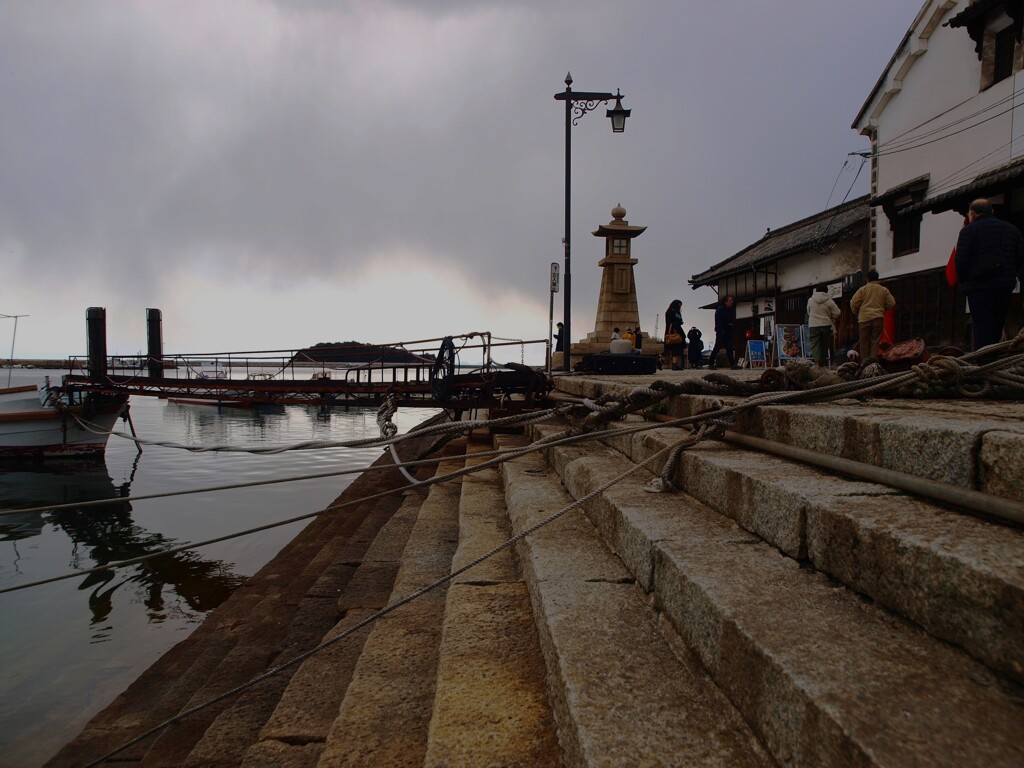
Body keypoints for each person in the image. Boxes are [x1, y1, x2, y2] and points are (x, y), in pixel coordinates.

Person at [954, 198, 1024, 350]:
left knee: (982, 327)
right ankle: (994, 357)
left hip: (979, 287)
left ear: (972, 214)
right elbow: (1021, 258)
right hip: (1004, 286)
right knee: (997, 325)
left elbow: (961, 261)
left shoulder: (969, 231)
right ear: (992, 212)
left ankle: (985, 362)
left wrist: (965, 282)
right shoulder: (1012, 230)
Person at [849, 270, 895, 361]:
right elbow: (892, 303)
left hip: (864, 319)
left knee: (864, 342)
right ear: (877, 279)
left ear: (867, 279)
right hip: (878, 318)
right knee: (875, 341)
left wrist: (858, 312)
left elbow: (853, 303)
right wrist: (882, 309)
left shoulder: (862, 290)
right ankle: (873, 363)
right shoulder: (884, 290)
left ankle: (865, 363)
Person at [806, 285, 841, 367]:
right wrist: (832, 317)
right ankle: (822, 362)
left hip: (814, 325)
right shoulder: (829, 301)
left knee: (815, 344)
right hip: (826, 325)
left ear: (816, 291)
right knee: (824, 345)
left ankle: (817, 362)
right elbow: (837, 313)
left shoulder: (810, 300)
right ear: (826, 291)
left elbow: (808, 311)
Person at [708, 296, 737, 369]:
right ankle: (711, 363)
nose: (732, 302)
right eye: (730, 300)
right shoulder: (720, 310)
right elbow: (718, 321)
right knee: (717, 347)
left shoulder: (731, 310)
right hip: (721, 331)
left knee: (730, 348)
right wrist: (720, 330)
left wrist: (732, 327)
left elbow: (732, 320)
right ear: (726, 302)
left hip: (728, 331)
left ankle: (733, 364)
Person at [663, 300, 685, 370]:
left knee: (676, 348)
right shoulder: (671, 311)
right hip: (673, 331)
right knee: (673, 348)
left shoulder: (677, 312)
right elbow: (670, 322)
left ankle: (675, 364)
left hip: (677, 330)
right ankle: (674, 364)